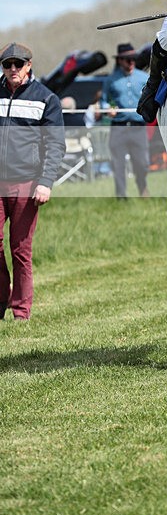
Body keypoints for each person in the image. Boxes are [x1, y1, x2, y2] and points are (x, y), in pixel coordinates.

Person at [0, 42, 65, 320]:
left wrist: (46, 181)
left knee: (20, 250)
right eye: (7, 64)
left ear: (29, 65)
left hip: (27, 184)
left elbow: (55, 145)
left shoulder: (46, 99)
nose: (12, 69)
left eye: (18, 64)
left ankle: (21, 312)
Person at [101, 43, 150, 199]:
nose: (131, 62)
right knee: (118, 164)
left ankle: (142, 187)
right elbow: (103, 100)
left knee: (142, 162)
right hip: (119, 128)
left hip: (138, 127)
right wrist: (107, 107)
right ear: (120, 60)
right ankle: (121, 196)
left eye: (133, 59)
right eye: (127, 59)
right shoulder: (111, 80)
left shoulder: (144, 78)